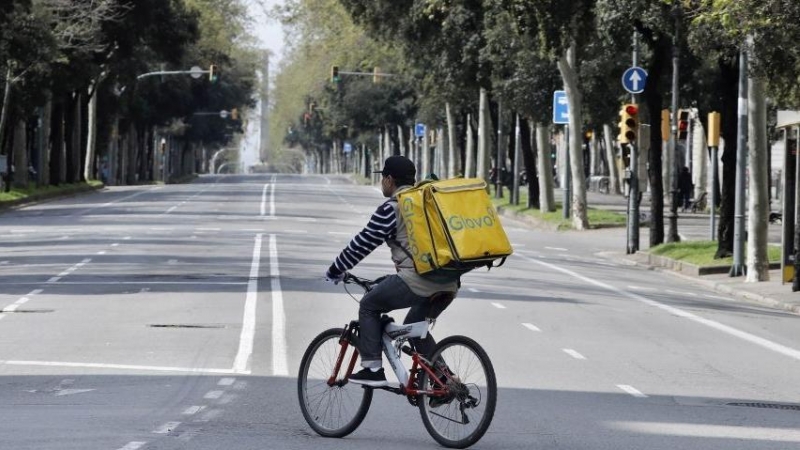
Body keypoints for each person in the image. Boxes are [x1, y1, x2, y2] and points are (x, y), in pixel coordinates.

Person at [324, 155, 459, 387]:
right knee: (416, 326)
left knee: (368, 304)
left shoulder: (393, 208)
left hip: (418, 280)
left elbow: (362, 244)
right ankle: (445, 381)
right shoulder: (428, 203)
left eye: (383, 179)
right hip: (449, 281)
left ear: (389, 179)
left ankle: (372, 368)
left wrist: (337, 268)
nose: (382, 184)